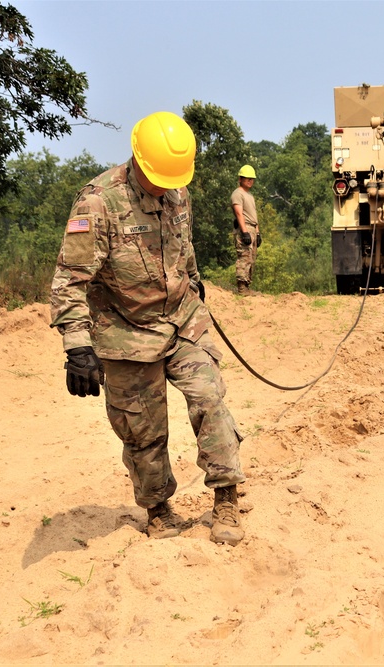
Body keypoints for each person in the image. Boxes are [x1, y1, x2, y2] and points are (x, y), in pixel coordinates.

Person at [49, 111, 247, 546]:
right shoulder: (97, 203)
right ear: (138, 159)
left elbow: (184, 247)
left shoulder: (178, 189)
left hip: (182, 321)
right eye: (159, 177)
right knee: (144, 430)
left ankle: (227, 497)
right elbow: (69, 282)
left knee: (209, 398)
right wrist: (77, 346)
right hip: (125, 332)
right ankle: (158, 509)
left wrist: (193, 284)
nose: (166, 186)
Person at [231, 165, 260, 295]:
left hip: (252, 227)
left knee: (251, 258)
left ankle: (247, 287)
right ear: (240, 179)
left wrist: (257, 233)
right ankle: (242, 288)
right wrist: (244, 232)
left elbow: (254, 215)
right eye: (247, 178)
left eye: (251, 179)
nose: (250, 181)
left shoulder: (250, 195)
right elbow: (239, 213)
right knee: (244, 257)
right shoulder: (238, 194)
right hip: (245, 227)